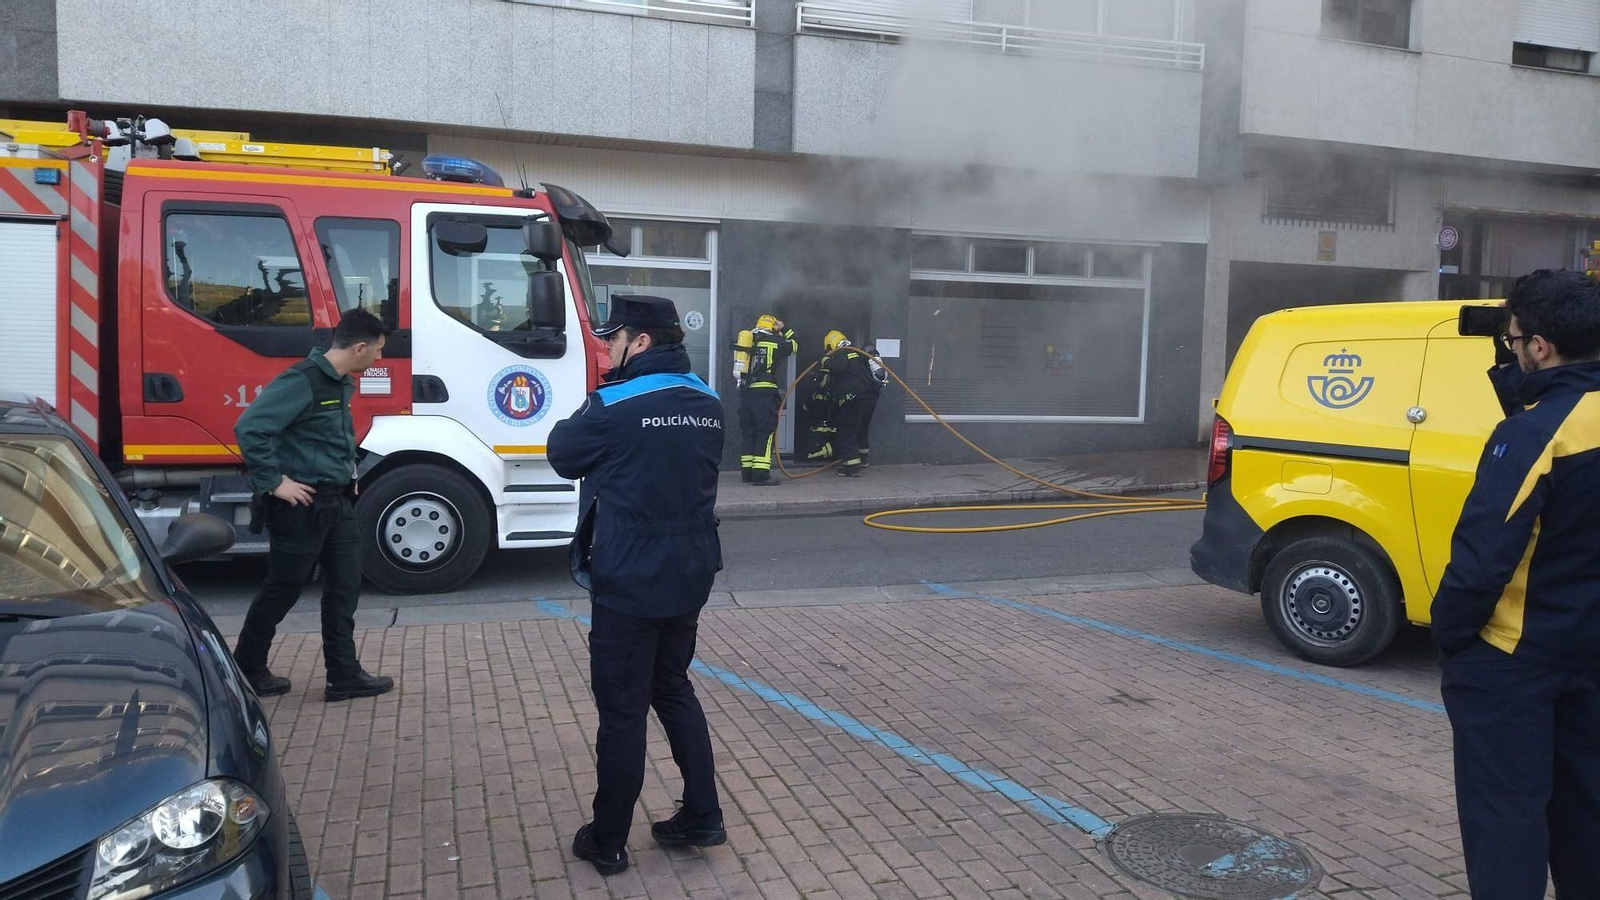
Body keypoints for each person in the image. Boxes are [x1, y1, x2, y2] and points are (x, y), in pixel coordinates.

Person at [1431, 268, 1600, 898]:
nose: (1511, 349)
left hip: (1514, 660)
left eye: (1513, 340)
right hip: (1591, 655)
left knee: (1506, 820)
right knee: (1586, 816)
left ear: (1540, 347)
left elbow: (1480, 562)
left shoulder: (1534, 434)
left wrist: (1453, 641)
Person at [548, 294, 727, 877]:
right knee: (672, 688)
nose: (608, 351)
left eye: (613, 340)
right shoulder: (710, 401)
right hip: (690, 572)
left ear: (640, 341)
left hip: (628, 580)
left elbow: (562, 454)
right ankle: (703, 815)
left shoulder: (611, 404)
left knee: (623, 711)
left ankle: (607, 839)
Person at [232, 309, 394, 702]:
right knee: (283, 589)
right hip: (300, 507)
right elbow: (250, 428)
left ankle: (344, 676)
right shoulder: (302, 380)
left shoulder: (339, 383)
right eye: (377, 350)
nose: (379, 359)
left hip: (336, 503)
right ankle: (246, 669)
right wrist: (275, 483)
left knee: (344, 588)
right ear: (359, 347)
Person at [734, 314, 797, 485]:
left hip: (747, 394)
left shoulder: (748, 340)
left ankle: (747, 473)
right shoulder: (776, 342)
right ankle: (761, 475)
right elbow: (794, 345)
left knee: (749, 433)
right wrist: (784, 329)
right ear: (772, 326)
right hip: (765, 393)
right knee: (765, 432)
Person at [817, 331, 876, 477]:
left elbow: (838, 367)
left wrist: (824, 359)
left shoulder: (841, 353)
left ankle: (852, 467)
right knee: (861, 428)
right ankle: (863, 460)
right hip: (870, 396)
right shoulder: (857, 352)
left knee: (846, 431)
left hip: (854, 398)